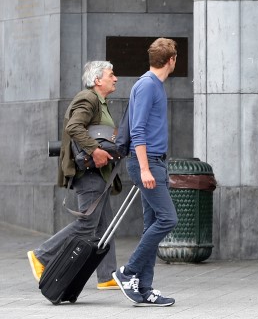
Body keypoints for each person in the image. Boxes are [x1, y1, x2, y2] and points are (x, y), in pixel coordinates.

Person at [27, 61, 121, 290]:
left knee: (104, 226)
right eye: (111, 74)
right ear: (98, 80)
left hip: (100, 174)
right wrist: (95, 150)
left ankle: (107, 275)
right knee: (87, 223)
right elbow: (74, 127)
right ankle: (42, 255)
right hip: (89, 173)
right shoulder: (88, 98)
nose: (115, 78)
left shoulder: (101, 102)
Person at [113, 38, 179, 307]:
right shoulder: (148, 86)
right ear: (172, 60)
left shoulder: (153, 85)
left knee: (152, 224)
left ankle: (145, 287)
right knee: (167, 219)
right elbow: (137, 130)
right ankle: (128, 273)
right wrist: (144, 169)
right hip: (147, 163)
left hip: (155, 163)